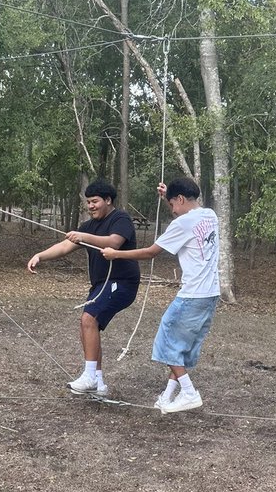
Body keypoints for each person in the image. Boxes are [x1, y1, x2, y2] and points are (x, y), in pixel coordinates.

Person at [103, 177, 219, 414]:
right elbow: (187, 211)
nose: (172, 210)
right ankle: (167, 396)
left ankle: (188, 392)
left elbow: (151, 252)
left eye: (172, 204)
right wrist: (169, 194)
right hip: (210, 294)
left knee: (166, 341)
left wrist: (116, 254)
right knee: (180, 346)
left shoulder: (182, 224)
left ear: (180, 199)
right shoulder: (210, 215)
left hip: (192, 295)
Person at [27, 179, 140, 396]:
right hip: (101, 284)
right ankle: (97, 381)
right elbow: (64, 246)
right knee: (88, 325)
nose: (91, 206)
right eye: (88, 202)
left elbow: (113, 242)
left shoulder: (121, 218)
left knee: (89, 318)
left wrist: (83, 237)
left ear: (108, 200)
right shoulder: (88, 226)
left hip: (122, 282)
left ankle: (89, 377)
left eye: (95, 201)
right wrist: (40, 256)